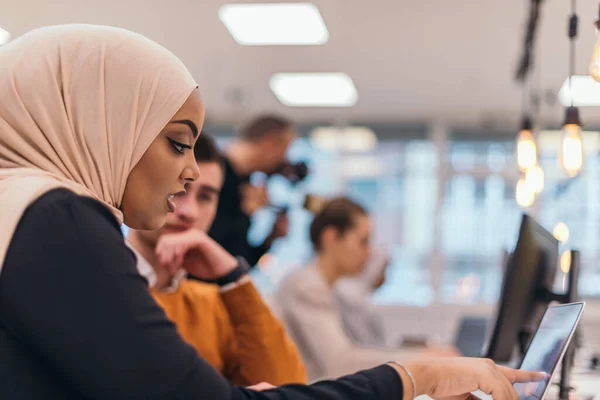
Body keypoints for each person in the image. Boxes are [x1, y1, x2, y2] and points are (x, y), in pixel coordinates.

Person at [0, 24, 546, 400]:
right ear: (99, 124)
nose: (190, 174)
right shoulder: (56, 217)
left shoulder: (25, 212)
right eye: (176, 142)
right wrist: (418, 375)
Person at [126, 133, 307, 385]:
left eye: (205, 197)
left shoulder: (213, 302)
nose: (190, 212)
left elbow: (285, 385)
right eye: (177, 191)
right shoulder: (101, 282)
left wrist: (233, 276)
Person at [276, 197, 459, 381]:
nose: (369, 252)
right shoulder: (306, 286)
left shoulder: (329, 288)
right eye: (363, 241)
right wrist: (422, 359)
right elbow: (339, 362)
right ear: (331, 237)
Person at [208, 115, 296, 267]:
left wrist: (270, 239)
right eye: (284, 150)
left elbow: (237, 261)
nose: (284, 161)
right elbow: (209, 246)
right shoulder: (211, 173)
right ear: (269, 143)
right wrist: (246, 213)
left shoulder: (244, 182)